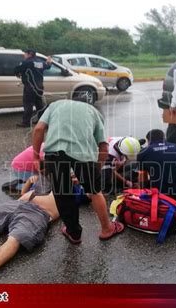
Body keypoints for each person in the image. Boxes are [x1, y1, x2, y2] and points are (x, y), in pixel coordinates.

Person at [32, 99, 124, 245]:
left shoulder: (55, 105)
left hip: (54, 153)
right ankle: (107, 229)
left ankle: (73, 232)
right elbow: (104, 147)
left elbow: (38, 129)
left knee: (63, 194)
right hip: (84, 154)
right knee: (95, 191)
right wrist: (97, 170)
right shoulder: (94, 112)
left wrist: (36, 156)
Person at [14, 49, 52, 128]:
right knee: (39, 104)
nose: (24, 55)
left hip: (30, 87)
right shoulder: (40, 62)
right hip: (39, 86)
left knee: (28, 104)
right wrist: (49, 61)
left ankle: (26, 122)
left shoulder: (26, 62)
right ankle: (42, 121)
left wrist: (18, 74)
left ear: (30, 54)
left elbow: (16, 69)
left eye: (25, 53)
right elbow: (48, 66)